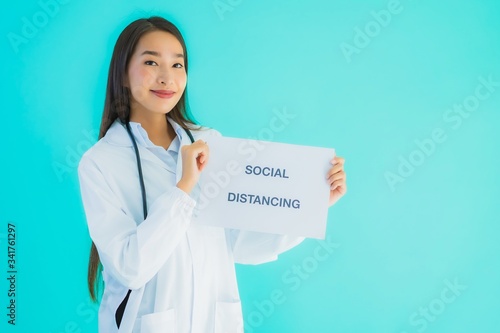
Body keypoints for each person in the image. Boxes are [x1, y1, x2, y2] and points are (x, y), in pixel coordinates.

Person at [78, 16, 347, 333]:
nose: (167, 77)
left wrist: (311, 204)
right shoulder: (101, 163)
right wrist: (184, 187)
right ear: (123, 73)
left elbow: (239, 244)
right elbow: (130, 268)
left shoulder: (210, 143)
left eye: (178, 65)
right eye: (151, 62)